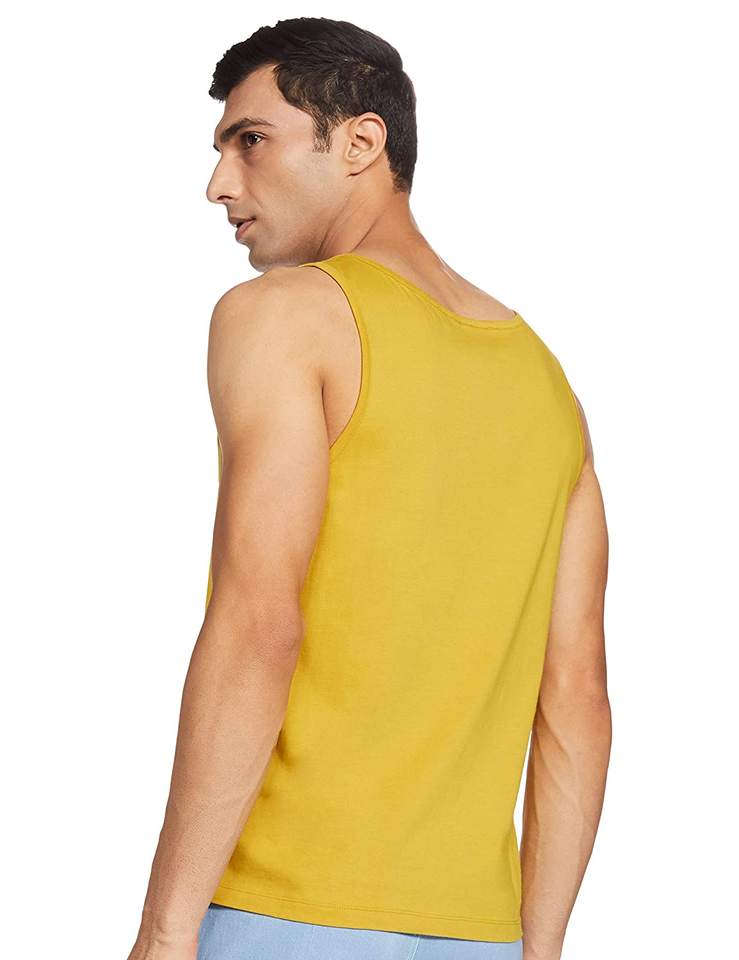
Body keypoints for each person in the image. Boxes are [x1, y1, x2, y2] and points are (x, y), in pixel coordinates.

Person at [126, 16, 611, 960]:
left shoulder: (286, 315)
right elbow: (576, 693)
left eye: (250, 139)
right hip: (476, 931)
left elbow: (258, 623)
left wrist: (167, 928)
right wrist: (538, 947)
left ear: (359, 141)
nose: (219, 182)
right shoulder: (542, 379)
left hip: (286, 911)